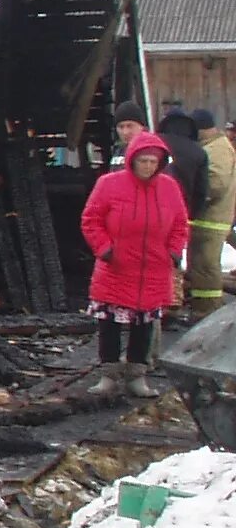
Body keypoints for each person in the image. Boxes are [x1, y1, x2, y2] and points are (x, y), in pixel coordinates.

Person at [81, 130, 190, 397]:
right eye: (144, 161)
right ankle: (108, 376)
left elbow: (179, 224)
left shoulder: (169, 188)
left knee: (143, 329)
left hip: (153, 270)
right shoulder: (109, 184)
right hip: (116, 268)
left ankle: (136, 378)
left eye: (153, 162)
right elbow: (91, 219)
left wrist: (174, 252)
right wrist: (105, 249)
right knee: (109, 326)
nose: (148, 167)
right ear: (132, 160)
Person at [190, 108, 235, 311]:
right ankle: (201, 307)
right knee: (199, 267)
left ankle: (208, 311)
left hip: (212, 219)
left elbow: (216, 184)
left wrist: (195, 195)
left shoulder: (218, 149)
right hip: (206, 220)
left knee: (207, 268)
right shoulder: (210, 147)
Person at [158, 109, 211, 214]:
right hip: (180, 212)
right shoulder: (199, 152)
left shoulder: (152, 143)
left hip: (149, 210)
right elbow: (201, 191)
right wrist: (191, 214)